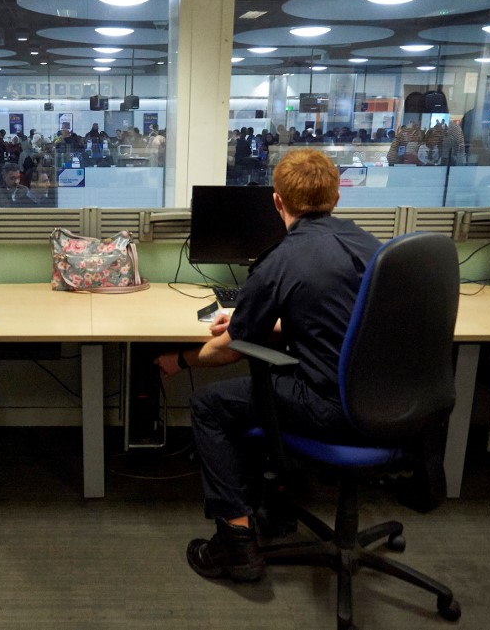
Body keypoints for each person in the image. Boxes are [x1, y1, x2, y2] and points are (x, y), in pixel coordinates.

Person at [156, 149, 381, 583]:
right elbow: (342, 322)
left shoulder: (280, 261)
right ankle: (273, 508)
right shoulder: (372, 247)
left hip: (330, 407)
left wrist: (178, 360)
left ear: (277, 202)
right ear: (337, 197)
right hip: (388, 404)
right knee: (259, 390)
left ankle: (236, 543)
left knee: (210, 405)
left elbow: (232, 350)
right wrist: (268, 325)